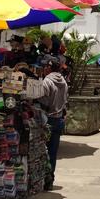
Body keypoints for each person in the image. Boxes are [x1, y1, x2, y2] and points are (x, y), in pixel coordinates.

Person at [31, 59, 69, 191]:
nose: (44, 68)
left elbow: (42, 99)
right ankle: (50, 179)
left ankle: (43, 179)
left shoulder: (47, 81)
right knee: (52, 152)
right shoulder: (63, 81)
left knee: (42, 152)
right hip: (59, 119)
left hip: (48, 119)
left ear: (49, 67)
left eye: (45, 66)